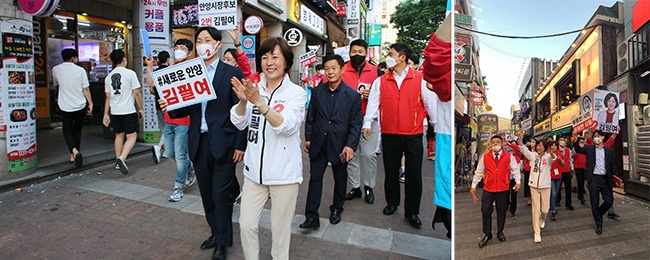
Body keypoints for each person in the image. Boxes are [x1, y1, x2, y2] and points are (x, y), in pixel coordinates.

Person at [162, 27, 246, 260]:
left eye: (207, 40)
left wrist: (240, 145)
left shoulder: (232, 74)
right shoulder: (190, 73)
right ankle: (216, 232)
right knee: (207, 194)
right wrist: (169, 103)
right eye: (199, 40)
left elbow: (242, 111)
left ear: (218, 44)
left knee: (221, 194)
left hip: (225, 143)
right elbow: (182, 111)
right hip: (198, 143)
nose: (202, 44)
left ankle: (222, 241)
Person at [230, 37, 306, 260]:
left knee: (280, 231)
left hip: (284, 175)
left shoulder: (297, 93)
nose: (269, 62)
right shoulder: (254, 87)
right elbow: (238, 122)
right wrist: (244, 101)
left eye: (275, 57)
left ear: (286, 62)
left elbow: (286, 126)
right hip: (254, 173)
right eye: (264, 57)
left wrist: (260, 103)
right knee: (246, 225)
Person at [362, 42, 438, 228]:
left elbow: (430, 106)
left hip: (413, 134)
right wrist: (367, 123)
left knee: (414, 175)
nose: (388, 56)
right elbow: (373, 104)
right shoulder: (380, 81)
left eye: (391, 53)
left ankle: (412, 212)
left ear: (402, 57)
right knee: (391, 171)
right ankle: (392, 203)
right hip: (389, 133)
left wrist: (437, 128)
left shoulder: (420, 79)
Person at [301, 54, 362, 228]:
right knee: (315, 179)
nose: (330, 72)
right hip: (319, 143)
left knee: (340, 179)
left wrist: (350, 146)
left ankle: (337, 208)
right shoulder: (318, 92)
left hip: (340, 145)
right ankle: (311, 217)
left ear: (342, 69)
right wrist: (308, 138)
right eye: (327, 68)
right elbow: (311, 116)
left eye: (334, 68)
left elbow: (356, 124)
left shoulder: (352, 96)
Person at [145, 48, 196, 202]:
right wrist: (149, 66)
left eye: (183, 48)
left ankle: (178, 188)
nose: (179, 51)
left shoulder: (191, 71)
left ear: (189, 52)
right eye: (177, 48)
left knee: (180, 155)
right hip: (169, 121)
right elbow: (152, 87)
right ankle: (190, 167)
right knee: (171, 153)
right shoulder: (168, 71)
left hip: (184, 122)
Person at [341, 39, 381, 204]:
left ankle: (369, 186)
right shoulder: (342, 69)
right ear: (349, 52)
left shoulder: (377, 72)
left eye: (360, 51)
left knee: (369, 154)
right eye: (354, 51)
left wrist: (372, 95)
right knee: (351, 154)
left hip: (369, 120)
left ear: (366, 53)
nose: (357, 54)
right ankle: (355, 187)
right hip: (347, 121)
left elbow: (384, 95)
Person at [470, 135, 520, 248]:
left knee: (501, 212)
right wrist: (473, 186)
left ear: (502, 143)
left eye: (498, 142)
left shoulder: (508, 156)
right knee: (485, 211)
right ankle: (487, 234)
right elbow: (478, 172)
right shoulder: (485, 157)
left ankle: (500, 231)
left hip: (503, 189)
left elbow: (515, 169)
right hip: (488, 189)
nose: (495, 144)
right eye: (493, 142)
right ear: (490, 144)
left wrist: (518, 182)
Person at [102, 49, 143, 175]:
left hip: (115, 111)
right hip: (128, 110)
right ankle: (122, 157)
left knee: (119, 135)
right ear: (123, 59)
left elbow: (108, 97)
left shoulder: (108, 77)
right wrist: (141, 108)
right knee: (132, 136)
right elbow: (136, 93)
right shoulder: (130, 74)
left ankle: (117, 160)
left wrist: (106, 114)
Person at [51, 48, 93, 168]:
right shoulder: (80, 70)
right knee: (77, 130)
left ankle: (74, 152)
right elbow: (85, 88)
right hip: (80, 104)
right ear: (73, 58)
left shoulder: (56, 69)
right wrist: (90, 103)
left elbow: (55, 84)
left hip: (65, 105)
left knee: (67, 130)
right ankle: (74, 154)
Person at [573, 130, 617, 235]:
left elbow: (612, 164)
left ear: (602, 138)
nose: (596, 138)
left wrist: (616, 176)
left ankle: (599, 213)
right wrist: (576, 139)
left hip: (605, 179)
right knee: (594, 202)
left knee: (609, 201)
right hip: (594, 179)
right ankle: (599, 224)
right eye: (595, 136)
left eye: (598, 136)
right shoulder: (589, 149)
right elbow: (579, 149)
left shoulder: (608, 151)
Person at [517, 134, 555, 243]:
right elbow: (524, 150)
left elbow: (553, 158)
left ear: (545, 147)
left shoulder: (548, 157)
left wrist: (552, 154)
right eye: (538, 145)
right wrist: (520, 139)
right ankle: (536, 232)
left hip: (545, 186)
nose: (539, 147)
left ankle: (542, 218)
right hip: (533, 186)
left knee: (545, 209)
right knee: (535, 209)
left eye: (541, 146)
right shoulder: (533, 155)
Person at [504, 139, 521, 218]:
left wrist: (511, 144)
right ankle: (506, 204)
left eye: (514, 146)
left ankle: (513, 211)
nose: (512, 148)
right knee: (506, 194)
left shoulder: (517, 154)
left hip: (514, 179)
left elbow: (518, 149)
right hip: (506, 178)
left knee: (514, 195)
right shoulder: (505, 155)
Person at [548, 141, 564, 221]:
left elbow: (563, 164)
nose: (554, 147)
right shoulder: (547, 154)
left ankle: (551, 206)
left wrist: (560, 159)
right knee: (553, 194)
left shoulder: (559, 153)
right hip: (550, 176)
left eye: (555, 145)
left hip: (558, 176)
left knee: (556, 193)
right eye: (552, 145)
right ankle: (552, 210)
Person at [557, 136, 574, 210]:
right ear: (558, 142)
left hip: (567, 171)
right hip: (559, 172)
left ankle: (568, 203)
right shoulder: (556, 150)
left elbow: (570, 160)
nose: (562, 141)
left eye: (563, 140)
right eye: (561, 140)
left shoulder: (568, 150)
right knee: (558, 188)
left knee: (568, 188)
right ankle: (557, 201)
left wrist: (572, 168)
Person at [522, 137, 537, 205]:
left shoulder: (537, 151)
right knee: (527, 184)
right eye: (531, 142)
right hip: (528, 169)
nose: (532, 143)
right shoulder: (528, 150)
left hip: (535, 169)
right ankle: (529, 198)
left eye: (533, 141)